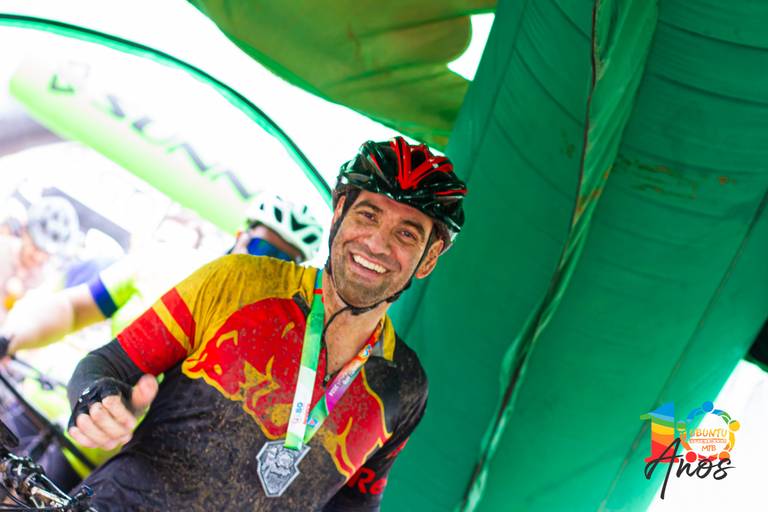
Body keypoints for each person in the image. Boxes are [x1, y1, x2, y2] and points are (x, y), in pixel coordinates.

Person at [65, 136, 467, 511]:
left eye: (406, 234)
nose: (377, 244)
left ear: (429, 259)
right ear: (339, 214)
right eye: (368, 215)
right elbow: (109, 364)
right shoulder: (237, 281)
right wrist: (96, 399)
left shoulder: (405, 385)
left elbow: (352, 504)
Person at [0, 191, 324, 489]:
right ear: (241, 236)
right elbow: (74, 309)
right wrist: (9, 339)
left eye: (284, 263)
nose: (266, 266)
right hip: (64, 432)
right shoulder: (164, 263)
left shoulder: (275, 345)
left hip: (139, 486)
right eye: (261, 250)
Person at [0, 196, 80, 322]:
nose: (38, 257)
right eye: (35, 246)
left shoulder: (45, 281)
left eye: (47, 253)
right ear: (24, 230)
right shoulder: (3, 250)